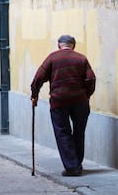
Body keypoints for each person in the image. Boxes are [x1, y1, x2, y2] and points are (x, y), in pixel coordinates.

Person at [30, 34, 96, 177]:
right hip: (80, 101)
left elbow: (38, 77)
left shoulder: (52, 58)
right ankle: (77, 163)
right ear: (73, 45)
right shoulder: (82, 59)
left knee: (62, 132)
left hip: (59, 101)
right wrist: (87, 95)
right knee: (79, 132)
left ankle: (72, 167)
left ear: (59, 44)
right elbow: (91, 79)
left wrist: (34, 95)